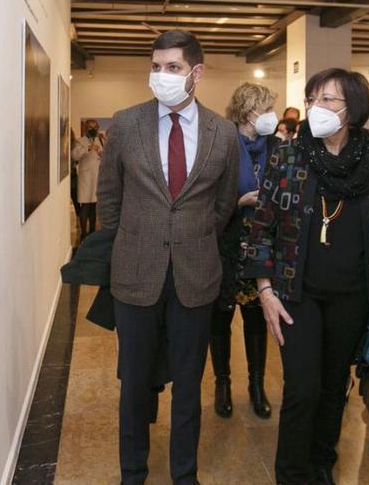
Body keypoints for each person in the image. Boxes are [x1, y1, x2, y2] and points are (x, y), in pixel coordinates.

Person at [244, 68, 369, 485]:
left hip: (353, 297)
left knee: (335, 388)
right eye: (312, 99)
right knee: (302, 390)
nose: (317, 108)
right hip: (297, 294)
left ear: (354, 108)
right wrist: (265, 290)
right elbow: (262, 227)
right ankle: (292, 474)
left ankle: (320, 464)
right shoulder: (289, 157)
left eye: (328, 100)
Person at [97, 29, 240, 485]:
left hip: (196, 276)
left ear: (196, 73)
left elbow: (222, 205)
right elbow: (109, 199)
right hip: (136, 273)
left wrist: (190, 237)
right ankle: (132, 473)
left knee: (187, 385)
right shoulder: (125, 123)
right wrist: (136, 241)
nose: (161, 76)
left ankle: (185, 474)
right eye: (156, 67)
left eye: (173, 68)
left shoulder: (224, 133)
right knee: (134, 385)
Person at [210, 82, 279, 420]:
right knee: (219, 319)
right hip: (225, 245)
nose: (272, 117)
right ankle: (222, 383)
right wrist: (240, 202)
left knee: (256, 319)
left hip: (261, 247)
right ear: (250, 112)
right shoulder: (221, 145)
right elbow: (208, 199)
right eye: (267, 110)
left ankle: (256, 385)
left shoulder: (276, 147)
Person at [72, 119, 104, 240]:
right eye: (90, 127)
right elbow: (74, 155)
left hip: (97, 177)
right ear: (86, 128)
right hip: (85, 178)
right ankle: (83, 233)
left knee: (94, 204)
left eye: (95, 127)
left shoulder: (100, 140)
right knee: (85, 204)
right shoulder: (80, 141)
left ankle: (92, 231)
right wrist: (88, 148)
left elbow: (106, 156)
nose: (93, 129)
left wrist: (100, 152)